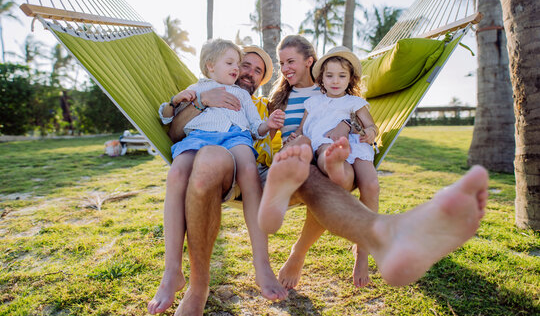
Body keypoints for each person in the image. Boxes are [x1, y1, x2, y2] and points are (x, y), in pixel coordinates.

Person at [159, 40, 489, 315]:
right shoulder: (215, 93)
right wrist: (203, 100)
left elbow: (346, 107)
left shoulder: (267, 101)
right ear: (216, 66)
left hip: (287, 169)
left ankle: (383, 232)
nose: (246, 72)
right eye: (243, 64)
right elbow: (174, 128)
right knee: (215, 164)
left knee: (314, 173)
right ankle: (197, 287)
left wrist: (346, 126)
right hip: (229, 160)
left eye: (257, 70)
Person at [147, 42, 287, 315]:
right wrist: (179, 101)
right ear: (210, 66)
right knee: (176, 173)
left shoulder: (245, 97)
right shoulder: (197, 88)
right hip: (197, 138)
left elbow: (255, 127)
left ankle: (262, 264)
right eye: (235, 63)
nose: (239, 69)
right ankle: (172, 271)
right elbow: (167, 118)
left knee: (249, 172)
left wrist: (267, 125)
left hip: (235, 138)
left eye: (252, 69)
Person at [278, 46, 380, 288]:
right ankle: (335, 162)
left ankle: (362, 252)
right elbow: (303, 129)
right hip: (326, 142)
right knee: (326, 150)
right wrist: (295, 137)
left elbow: (372, 127)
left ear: (351, 79)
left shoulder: (355, 102)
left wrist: (369, 133)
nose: (336, 81)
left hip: (355, 146)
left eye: (342, 76)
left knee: (372, 186)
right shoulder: (313, 102)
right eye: (330, 75)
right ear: (321, 78)